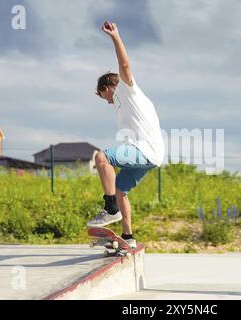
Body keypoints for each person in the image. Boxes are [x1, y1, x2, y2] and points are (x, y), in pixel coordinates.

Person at [86, 21, 165, 249]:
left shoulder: (126, 89)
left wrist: (115, 37)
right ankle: (128, 237)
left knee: (102, 157)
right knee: (121, 190)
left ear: (109, 86)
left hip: (145, 149)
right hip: (149, 155)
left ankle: (110, 209)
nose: (108, 101)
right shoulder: (122, 102)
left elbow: (125, 65)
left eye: (105, 96)